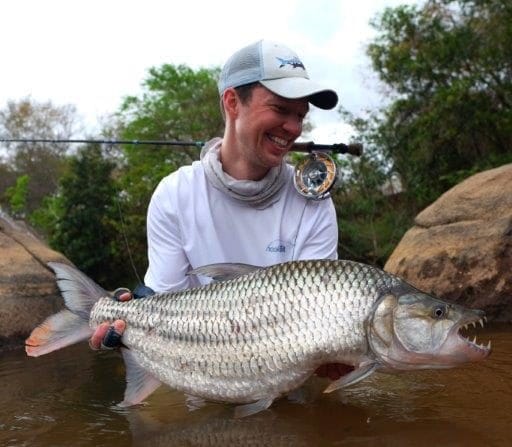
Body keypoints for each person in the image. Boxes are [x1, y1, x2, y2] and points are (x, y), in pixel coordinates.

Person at [90, 39, 352, 380]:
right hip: (200, 373)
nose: (293, 128)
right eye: (280, 109)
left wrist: (341, 356)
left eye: (300, 115)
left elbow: (321, 329)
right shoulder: (174, 194)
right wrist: (129, 327)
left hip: (287, 380)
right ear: (232, 102)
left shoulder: (313, 202)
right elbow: (166, 310)